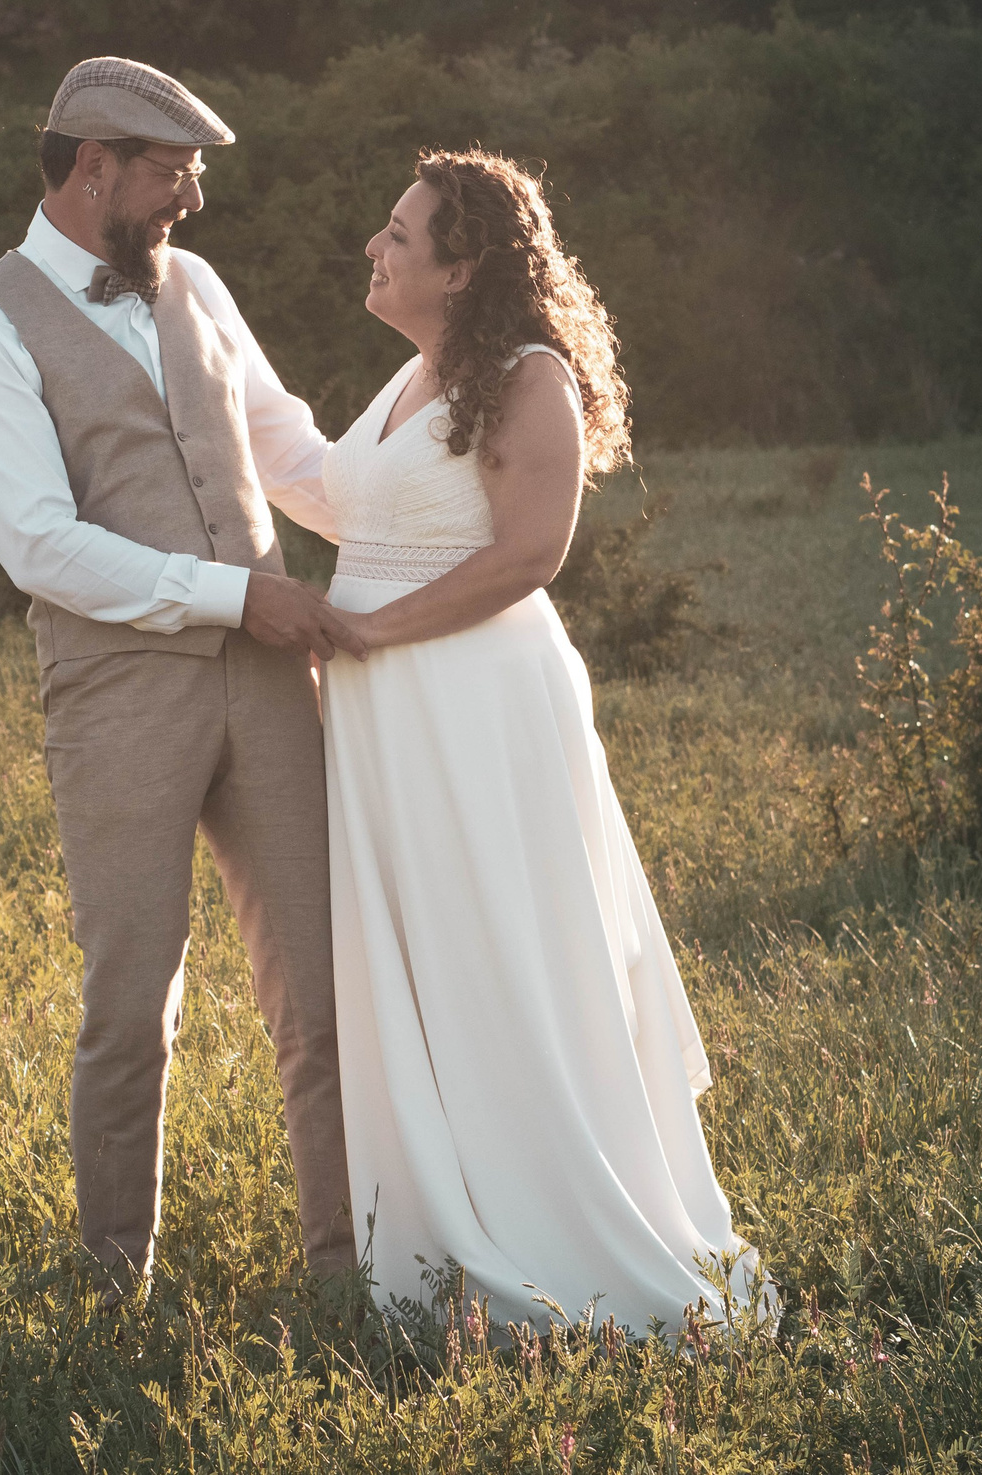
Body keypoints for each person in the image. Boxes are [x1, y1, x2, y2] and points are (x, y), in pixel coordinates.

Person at [0, 57, 365, 1293]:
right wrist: (246, 597)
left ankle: (348, 1272)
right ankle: (109, 1275)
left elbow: (287, 450)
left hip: (275, 688)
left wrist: (421, 522)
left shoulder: (203, 287)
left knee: (323, 998)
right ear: (91, 168)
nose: (188, 199)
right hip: (119, 699)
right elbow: (40, 545)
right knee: (133, 998)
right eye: (171, 174)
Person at [321, 147, 770, 1335]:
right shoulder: (411, 381)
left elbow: (529, 555)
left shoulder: (530, 377)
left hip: (473, 704)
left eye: (400, 236)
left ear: (462, 268)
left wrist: (364, 635)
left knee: (501, 954)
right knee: (422, 958)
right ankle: (438, 1228)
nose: (375, 247)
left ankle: (560, 1228)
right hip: (393, 716)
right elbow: (330, 493)